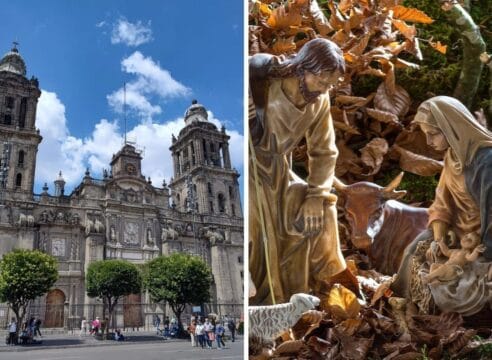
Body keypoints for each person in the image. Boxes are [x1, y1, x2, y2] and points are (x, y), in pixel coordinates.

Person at [249, 38, 347, 305]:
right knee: (255, 228)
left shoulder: (320, 99)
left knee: (324, 210)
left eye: (332, 83)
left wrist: (316, 195)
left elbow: (325, 151)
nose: (326, 88)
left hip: (280, 173)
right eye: (322, 80)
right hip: (251, 169)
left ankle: (324, 290)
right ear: (303, 67)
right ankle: (264, 301)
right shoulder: (262, 82)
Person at [393, 95, 492, 316]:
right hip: (455, 231)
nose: (429, 142)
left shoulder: (486, 162)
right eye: (426, 135)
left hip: (481, 240)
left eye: (434, 134)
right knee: (413, 252)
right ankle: (400, 304)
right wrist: (438, 236)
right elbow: (442, 201)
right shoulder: (452, 156)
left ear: (453, 128)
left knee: (453, 290)